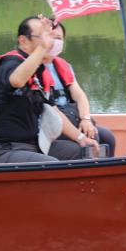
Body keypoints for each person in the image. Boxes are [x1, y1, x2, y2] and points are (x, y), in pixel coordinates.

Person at [0, 15, 99, 164]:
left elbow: (54, 111)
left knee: (84, 151)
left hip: (32, 145)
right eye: (42, 36)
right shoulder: (10, 62)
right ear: (23, 41)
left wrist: (81, 139)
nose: (49, 42)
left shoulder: (39, 71)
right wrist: (42, 48)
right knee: (51, 165)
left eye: (50, 37)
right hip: (3, 149)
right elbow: (17, 80)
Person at [46, 20, 116, 155]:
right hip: (50, 121)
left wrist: (86, 119)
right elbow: (49, 109)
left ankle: (106, 172)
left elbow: (80, 96)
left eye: (59, 38)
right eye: (50, 37)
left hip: (70, 116)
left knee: (107, 137)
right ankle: (92, 173)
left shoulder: (62, 66)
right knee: (92, 137)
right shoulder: (33, 66)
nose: (54, 42)